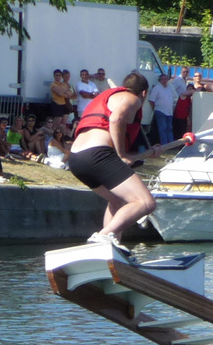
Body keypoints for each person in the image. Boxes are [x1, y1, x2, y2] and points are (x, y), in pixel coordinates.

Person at [68, 71, 160, 253]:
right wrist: (122, 154)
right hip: (98, 154)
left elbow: (116, 133)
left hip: (77, 159)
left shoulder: (108, 96)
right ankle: (103, 236)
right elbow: (115, 119)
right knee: (146, 202)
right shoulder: (132, 98)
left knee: (118, 201)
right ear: (144, 93)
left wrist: (149, 152)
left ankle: (108, 252)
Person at [148, 73, 177, 145]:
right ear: (159, 80)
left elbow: (174, 98)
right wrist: (154, 109)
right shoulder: (157, 88)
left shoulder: (169, 88)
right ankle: (165, 145)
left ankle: (171, 144)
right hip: (160, 111)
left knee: (169, 128)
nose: (164, 80)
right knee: (163, 129)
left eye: (166, 79)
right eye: (162, 79)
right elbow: (151, 100)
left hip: (169, 112)